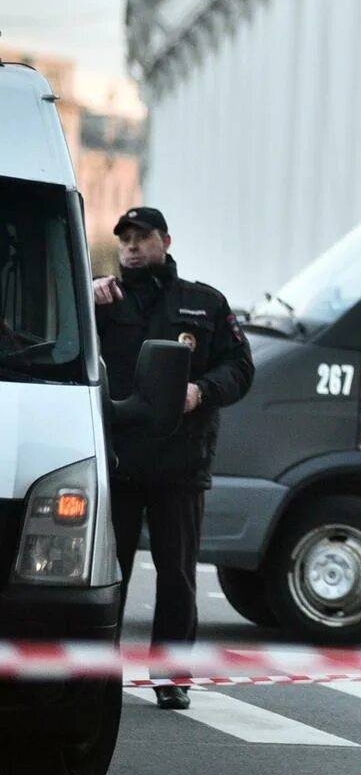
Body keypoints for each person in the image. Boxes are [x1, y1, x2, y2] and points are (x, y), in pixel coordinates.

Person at [94, 206, 254, 710]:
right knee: (104, 573)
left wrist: (201, 391)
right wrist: (85, 292)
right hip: (115, 462)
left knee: (177, 573)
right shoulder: (99, 300)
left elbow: (240, 367)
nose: (132, 247)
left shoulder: (202, 304)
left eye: (143, 237)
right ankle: (96, 671)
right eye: (125, 240)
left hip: (179, 464)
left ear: (166, 240)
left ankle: (171, 676)